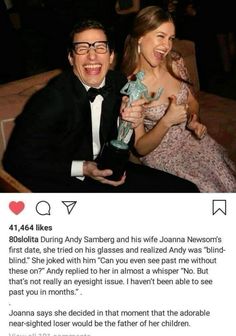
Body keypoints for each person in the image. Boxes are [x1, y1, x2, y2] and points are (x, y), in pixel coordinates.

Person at [2, 19, 198, 193]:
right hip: (64, 180)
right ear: (71, 58)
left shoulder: (119, 83)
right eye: (82, 48)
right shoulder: (50, 99)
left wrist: (127, 122)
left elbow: (124, 145)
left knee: (186, 191)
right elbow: (15, 161)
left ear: (111, 56)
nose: (92, 56)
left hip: (108, 169)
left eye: (100, 47)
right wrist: (84, 168)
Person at [121, 6, 236, 192]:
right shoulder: (132, 86)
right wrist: (167, 120)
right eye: (160, 36)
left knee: (228, 182)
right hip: (162, 153)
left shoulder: (175, 62)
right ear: (140, 37)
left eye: (171, 38)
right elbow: (140, 148)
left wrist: (193, 120)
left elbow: (192, 101)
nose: (167, 46)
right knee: (206, 190)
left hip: (192, 139)